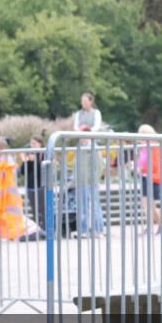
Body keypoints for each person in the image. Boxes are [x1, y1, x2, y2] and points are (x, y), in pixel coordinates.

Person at [73, 92, 105, 236]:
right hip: (83, 174)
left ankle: (98, 227)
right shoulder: (78, 114)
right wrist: (81, 131)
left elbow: (97, 126)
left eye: (85, 101)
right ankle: (84, 228)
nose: (83, 103)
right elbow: (75, 127)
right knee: (83, 200)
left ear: (91, 102)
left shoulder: (96, 113)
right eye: (82, 101)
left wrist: (87, 131)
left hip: (92, 167)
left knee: (94, 199)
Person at [137, 124, 162, 233]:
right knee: (145, 204)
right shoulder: (144, 148)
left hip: (152, 178)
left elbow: (155, 164)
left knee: (151, 205)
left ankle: (160, 224)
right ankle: (150, 225)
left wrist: (143, 169)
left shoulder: (153, 147)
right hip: (145, 177)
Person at [22, 135, 46, 230]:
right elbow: (23, 172)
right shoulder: (29, 155)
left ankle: (45, 229)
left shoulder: (44, 154)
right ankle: (37, 229)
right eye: (31, 143)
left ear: (40, 144)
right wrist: (26, 161)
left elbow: (42, 171)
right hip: (31, 186)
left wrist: (36, 161)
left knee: (43, 209)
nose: (32, 145)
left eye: (34, 143)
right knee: (34, 210)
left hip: (41, 186)